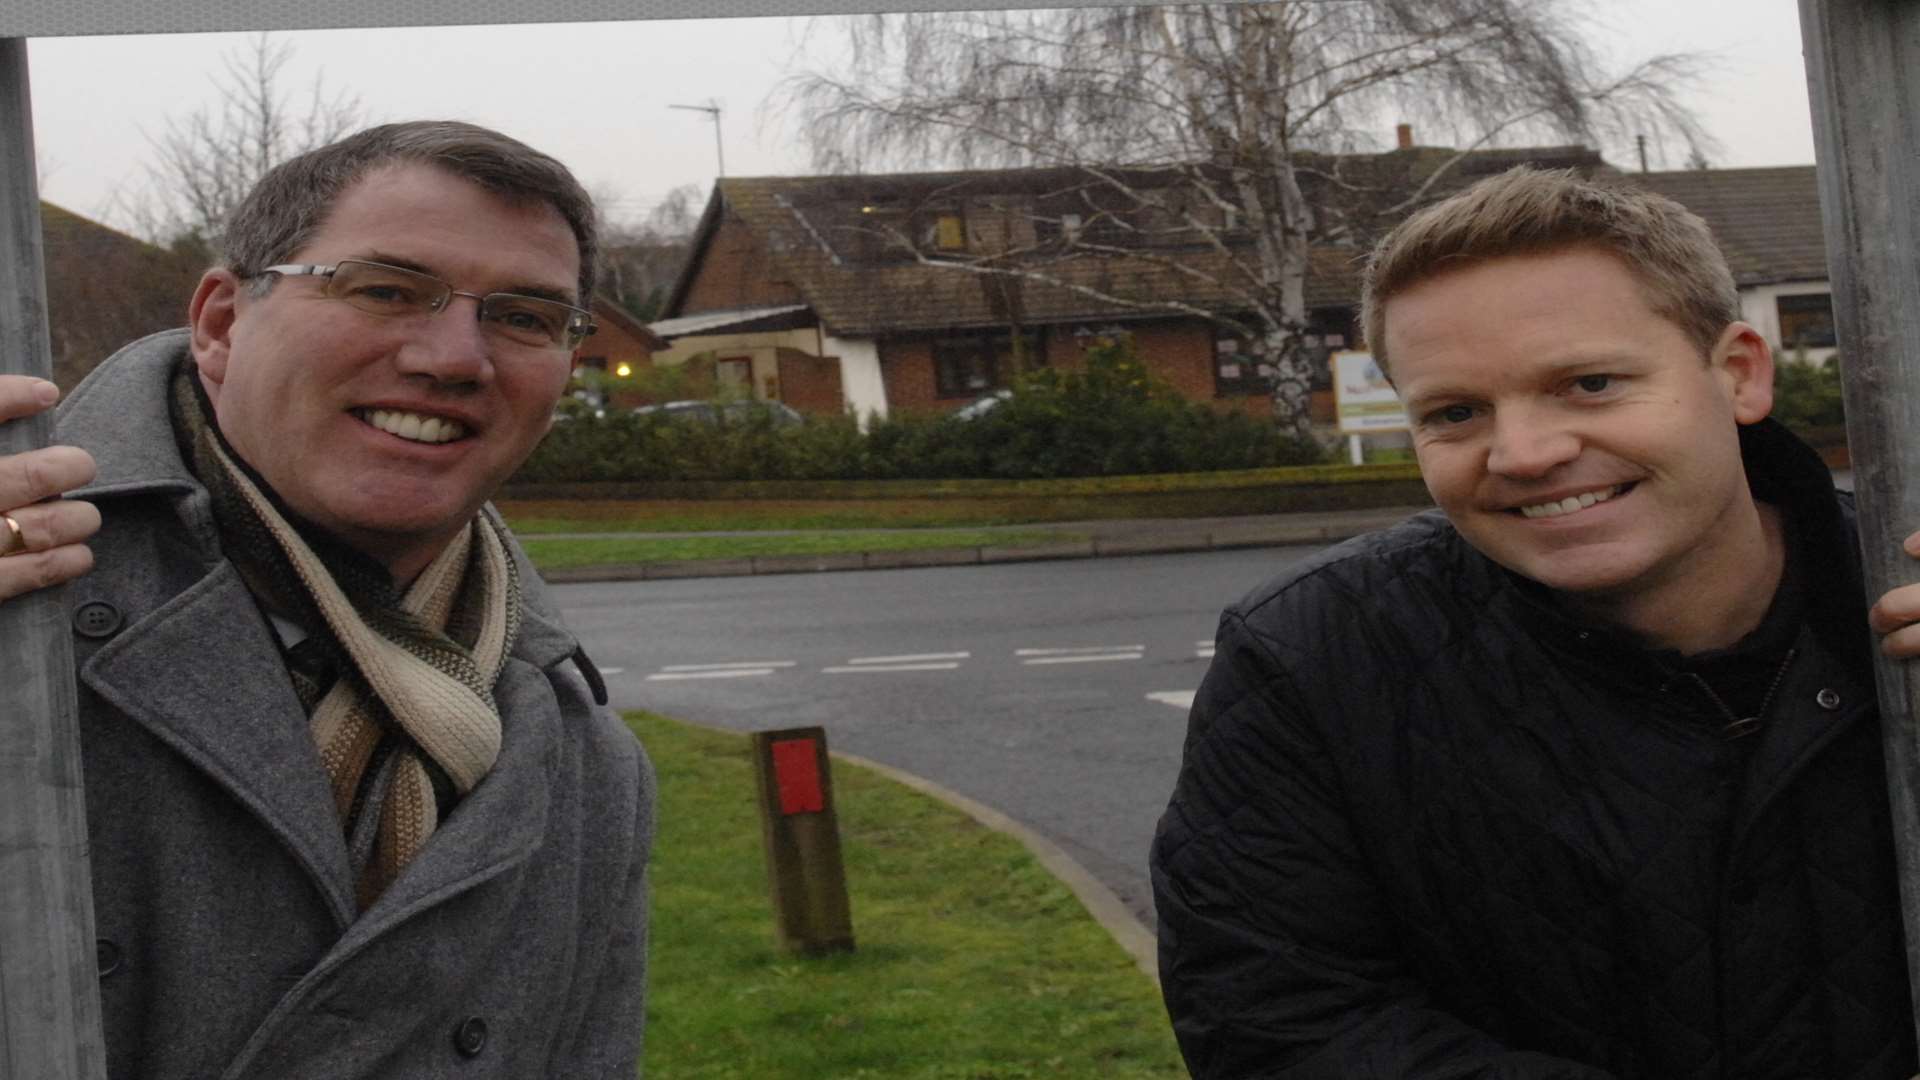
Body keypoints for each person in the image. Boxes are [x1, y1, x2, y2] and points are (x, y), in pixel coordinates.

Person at [1149, 166, 1920, 1078]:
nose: (1522, 454)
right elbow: (1276, 1027)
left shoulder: (1894, 598)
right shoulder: (1315, 660)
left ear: (1739, 374)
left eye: (1589, 383)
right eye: (1455, 412)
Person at [0, 121, 652, 1078]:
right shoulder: (24, 627)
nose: (455, 358)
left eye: (524, 316)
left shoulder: (586, 771)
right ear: (222, 322)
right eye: (387, 290)